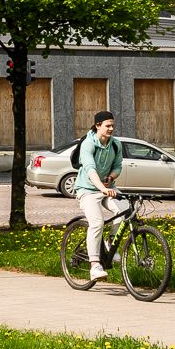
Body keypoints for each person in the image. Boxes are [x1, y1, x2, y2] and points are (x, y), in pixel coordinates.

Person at [74, 109, 125, 282]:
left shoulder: (116, 144)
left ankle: (110, 243)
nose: (111, 129)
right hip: (87, 190)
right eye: (108, 126)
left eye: (113, 126)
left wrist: (111, 177)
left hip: (107, 188)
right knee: (97, 223)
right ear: (98, 126)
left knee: (125, 211)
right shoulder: (88, 144)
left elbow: (118, 166)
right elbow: (90, 169)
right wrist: (102, 188)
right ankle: (94, 265)